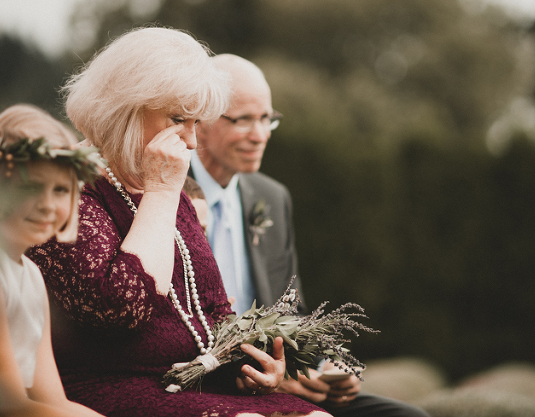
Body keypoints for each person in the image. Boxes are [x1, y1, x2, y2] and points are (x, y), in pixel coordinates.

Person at [26, 27, 330, 417]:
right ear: (127, 109)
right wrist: (163, 193)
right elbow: (121, 308)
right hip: (114, 385)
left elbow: (215, 311)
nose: (190, 141)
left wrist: (252, 367)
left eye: (196, 124)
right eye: (177, 120)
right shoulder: (66, 191)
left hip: (198, 382)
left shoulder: (168, 192)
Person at [191, 54, 430, 417]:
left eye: (267, 119)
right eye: (243, 120)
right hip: (204, 383)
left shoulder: (271, 198)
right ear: (201, 119)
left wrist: (327, 370)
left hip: (281, 379)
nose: (259, 135)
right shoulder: (166, 193)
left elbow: (293, 311)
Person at [0, 103, 105, 416]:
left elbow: (51, 399)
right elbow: (8, 403)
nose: (48, 205)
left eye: (60, 190)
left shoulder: (31, 275)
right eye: (31, 187)